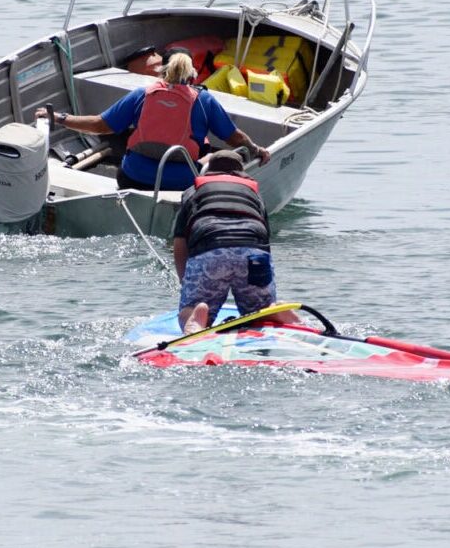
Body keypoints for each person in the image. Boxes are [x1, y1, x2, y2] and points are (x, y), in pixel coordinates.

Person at [36, 51, 270, 191]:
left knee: (125, 152)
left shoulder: (142, 94)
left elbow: (100, 125)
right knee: (212, 156)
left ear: (164, 72)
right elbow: (234, 137)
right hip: (183, 182)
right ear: (192, 76)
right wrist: (257, 149)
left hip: (135, 177)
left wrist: (59, 118)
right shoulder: (203, 100)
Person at [172, 150, 296, 335]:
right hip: (253, 251)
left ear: (208, 172)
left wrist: (186, 284)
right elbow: (265, 241)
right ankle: (273, 310)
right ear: (242, 173)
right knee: (258, 314)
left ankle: (195, 318)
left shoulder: (193, 192)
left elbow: (180, 243)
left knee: (190, 308)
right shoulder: (254, 194)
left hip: (211, 247)